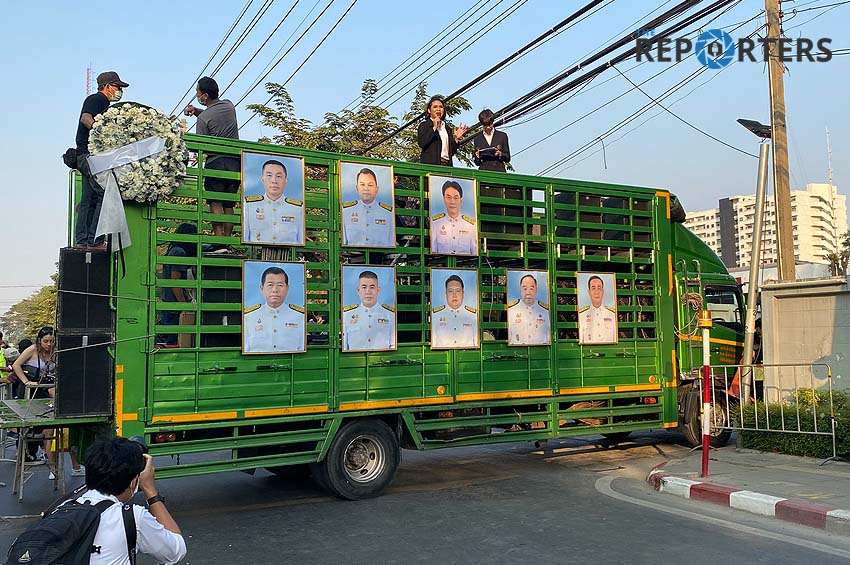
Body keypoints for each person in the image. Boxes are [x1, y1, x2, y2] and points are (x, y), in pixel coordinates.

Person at [77, 437, 186, 564]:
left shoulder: (63, 507)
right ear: (134, 482)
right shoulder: (132, 517)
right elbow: (176, 551)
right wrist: (150, 491)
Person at [183, 77, 240, 254]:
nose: (197, 95)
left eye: (198, 91)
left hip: (216, 163)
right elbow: (213, 114)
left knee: (215, 201)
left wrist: (197, 114)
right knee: (229, 204)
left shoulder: (203, 119)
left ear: (205, 95)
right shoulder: (229, 106)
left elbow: (202, 143)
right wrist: (196, 111)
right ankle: (227, 242)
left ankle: (218, 242)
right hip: (235, 163)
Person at [74, 71, 129, 250]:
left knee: (89, 198)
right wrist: (102, 133)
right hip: (91, 155)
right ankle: (95, 239)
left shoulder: (102, 102)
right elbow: (86, 118)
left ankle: (84, 240)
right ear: (107, 86)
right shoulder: (97, 99)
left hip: (86, 155)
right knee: (102, 195)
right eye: (117, 87)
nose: (120, 91)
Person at [244, 266, 305, 353]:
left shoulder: (300, 317)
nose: (275, 290)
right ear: (262, 288)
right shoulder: (248, 317)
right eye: (270, 285)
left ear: (287, 288)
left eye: (280, 285)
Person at [243, 160, 305, 245]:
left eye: (278, 176)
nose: (274, 181)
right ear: (262, 179)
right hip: (257, 253)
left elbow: (301, 242)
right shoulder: (249, 205)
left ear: (286, 181)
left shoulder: (297, 209)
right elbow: (245, 240)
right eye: (269, 175)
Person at [156, 223, 198, 347]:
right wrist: (183, 305)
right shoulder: (180, 253)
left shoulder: (173, 250)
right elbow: (176, 282)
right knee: (174, 341)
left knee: (170, 339)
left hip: (168, 301)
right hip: (174, 305)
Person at [343, 270, 396, 351]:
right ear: (358, 290)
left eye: (372, 287)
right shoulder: (347, 316)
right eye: (364, 287)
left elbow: (393, 345)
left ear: (378, 290)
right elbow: (345, 347)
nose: (368, 292)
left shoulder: (390, 315)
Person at [342, 168, 395, 247]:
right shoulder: (346, 211)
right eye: (362, 185)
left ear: (377, 189)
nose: (366, 189)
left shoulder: (388, 213)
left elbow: (391, 243)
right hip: (353, 254)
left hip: (380, 254)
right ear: (357, 188)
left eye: (370, 185)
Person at [417, 96, 468, 166]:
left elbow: (451, 152)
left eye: (441, 107)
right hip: (431, 165)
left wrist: (456, 138)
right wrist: (434, 127)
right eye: (435, 107)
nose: (438, 109)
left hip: (446, 165)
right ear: (429, 110)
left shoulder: (447, 128)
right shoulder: (424, 125)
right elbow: (422, 143)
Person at [430, 180, 477, 255]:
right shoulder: (435, 223)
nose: (452, 202)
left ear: (461, 200)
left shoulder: (470, 225)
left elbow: (475, 252)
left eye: (456, 198)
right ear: (444, 199)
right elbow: (433, 251)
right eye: (448, 197)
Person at [432, 275, 479, 348]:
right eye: (450, 291)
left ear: (463, 294)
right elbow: (433, 343)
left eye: (458, 291)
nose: (454, 295)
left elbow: (476, 344)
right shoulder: (435, 315)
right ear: (446, 294)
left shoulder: (473, 315)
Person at [507, 274, 550, 345]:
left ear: (536, 290)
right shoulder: (511, 311)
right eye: (525, 289)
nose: (528, 293)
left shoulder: (545, 311)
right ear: (520, 290)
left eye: (531, 289)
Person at [579, 276, 617, 343]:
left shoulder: (612, 315)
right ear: (589, 292)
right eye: (593, 288)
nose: (596, 292)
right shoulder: (582, 316)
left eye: (599, 288)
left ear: (602, 291)